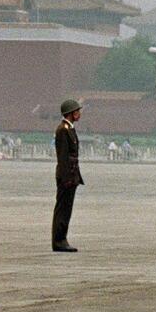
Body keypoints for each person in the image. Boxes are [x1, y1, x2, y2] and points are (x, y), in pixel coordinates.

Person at [53, 99, 84, 252]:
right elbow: (63, 157)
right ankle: (58, 241)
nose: (79, 113)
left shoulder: (69, 128)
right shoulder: (62, 130)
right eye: (77, 111)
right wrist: (66, 179)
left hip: (72, 176)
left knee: (67, 209)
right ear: (70, 113)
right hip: (67, 176)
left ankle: (62, 238)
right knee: (62, 209)